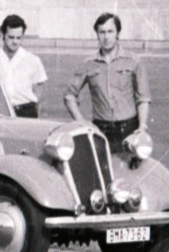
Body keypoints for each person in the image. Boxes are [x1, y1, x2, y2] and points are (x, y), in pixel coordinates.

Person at [64, 12, 150, 153]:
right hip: (100, 130)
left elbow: (144, 98)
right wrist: (81, 121)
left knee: (130, 173)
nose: (106, 37)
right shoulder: (88, 63)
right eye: (102, 32)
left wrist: (142, 126)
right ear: (97, 35)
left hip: (129, 129)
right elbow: (69, 96)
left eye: (110, 31)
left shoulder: (133, 61)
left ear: (118, 33)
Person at [0, 14, 48, 118]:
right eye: (11, 37)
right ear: (3, 35)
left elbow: (39, 88)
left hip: (26, 112)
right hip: (0, 112)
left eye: (18, 38)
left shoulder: (33, 60)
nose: (15, 41)